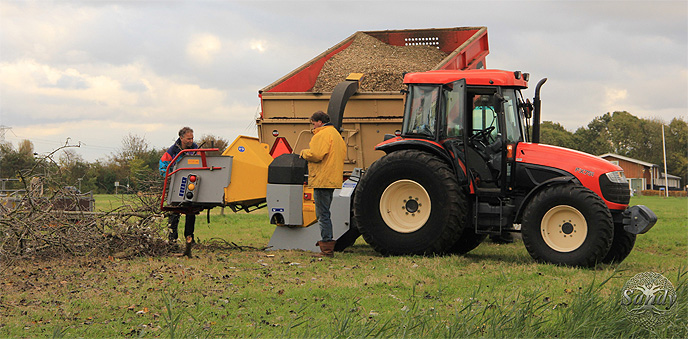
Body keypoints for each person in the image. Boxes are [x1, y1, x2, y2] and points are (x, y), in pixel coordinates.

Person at [299, 111, 347, 257]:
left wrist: (303, 153)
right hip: (331, 178)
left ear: (319, 122)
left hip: (322, 179)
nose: (313, 125)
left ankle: (326, 248)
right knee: (325, 212)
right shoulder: (336, 135)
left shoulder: (321, 135)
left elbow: (317, 154)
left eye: (313, 122)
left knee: (322, 214)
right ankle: (327, 245)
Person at [159, 126, 198, 257]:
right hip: (177, 184)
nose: (191, 141)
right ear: (181, 138)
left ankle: (189, 238)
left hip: (192, 184)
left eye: (192, 138)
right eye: (188, 138)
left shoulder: (197, 149)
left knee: (191, 211)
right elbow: (163, 166)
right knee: (174, 211)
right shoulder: (172, 151)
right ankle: (172, 240)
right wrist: (171, 176)